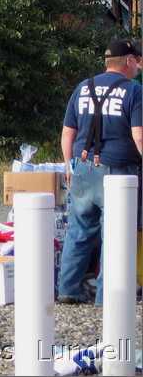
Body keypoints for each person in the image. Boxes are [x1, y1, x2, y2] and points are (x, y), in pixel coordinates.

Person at [58, 38, 143, 305]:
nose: (139, 66)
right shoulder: (134, 91)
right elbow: (139, 137)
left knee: (79, 230)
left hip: (82, 168)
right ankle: (107, 298)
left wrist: (67, 165)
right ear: (128, 61)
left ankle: (68, 289)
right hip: (118, 172)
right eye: (138, 61)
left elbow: (67, 133)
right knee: (115, 234)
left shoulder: (83, 87)